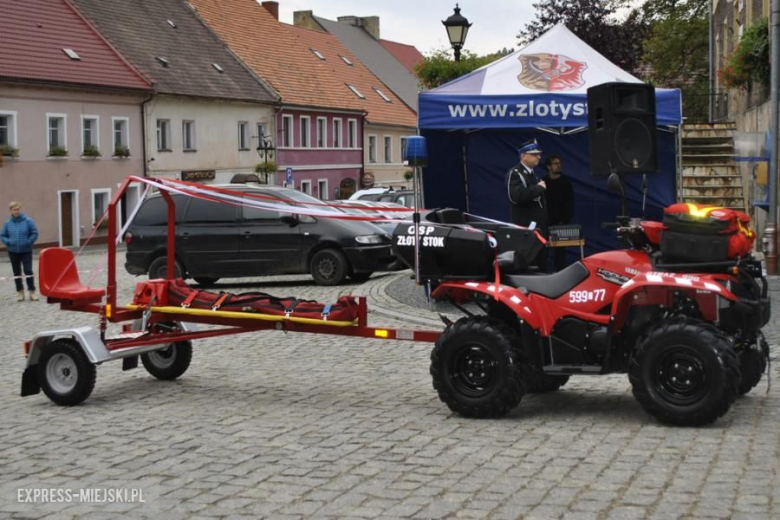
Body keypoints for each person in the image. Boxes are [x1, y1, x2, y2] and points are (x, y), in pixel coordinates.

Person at [506, 139, 548, 270]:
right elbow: (515, 196)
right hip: (526, 232)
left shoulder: (534, 176)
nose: (539, 157)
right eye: (535, 154)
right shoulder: (515, 174)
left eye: (539, 154)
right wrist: (538, 188)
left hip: (539, 231)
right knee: (529, 266)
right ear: (523, 155)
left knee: (541, 265)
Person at [1, 201, 39, 301]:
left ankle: (32, 292)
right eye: (14, 210)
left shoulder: (28, 220)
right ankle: (20, 293)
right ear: (11, 211)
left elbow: (34, 233)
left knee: (28, 271)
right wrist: (8, 242)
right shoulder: (7, 223)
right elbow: (3, 235)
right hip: (13, 251)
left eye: (18, 209)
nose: (16, 211)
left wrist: (29, 242)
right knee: (16, 272)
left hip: (26, 251)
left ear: (20, 209)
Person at [543, 155, 575, 271]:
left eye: (559, 163)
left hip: (561, 222)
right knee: (544, 250)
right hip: (545, 223)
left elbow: (569, 203)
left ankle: (560, 273)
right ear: (548, 166)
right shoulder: (543, 182)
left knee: (560, 251)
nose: (559, 165)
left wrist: (565, 220)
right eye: (555, 163)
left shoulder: (566, 182)